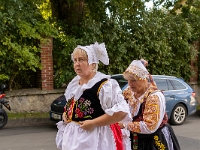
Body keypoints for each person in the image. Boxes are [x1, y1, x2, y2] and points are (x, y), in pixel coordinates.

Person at [55, 42, 132, 150]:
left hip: (93, 140)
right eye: (75, 60)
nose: (77, 64)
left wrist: (94, 123)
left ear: (93, 64)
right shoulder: (74, 85)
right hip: (73, 140)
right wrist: (66, 115)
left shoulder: (104, 85)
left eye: (81, 60)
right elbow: (74, 107)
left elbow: (121, 112)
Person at [120, 60, 180, 150]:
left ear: (144, 79)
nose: (130, 83)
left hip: (153, 140)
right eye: (128, 80)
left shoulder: (154, 97)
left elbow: (150, 127)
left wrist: (125, 125)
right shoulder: (129, 92)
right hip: (135, 139)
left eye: (134, 80)